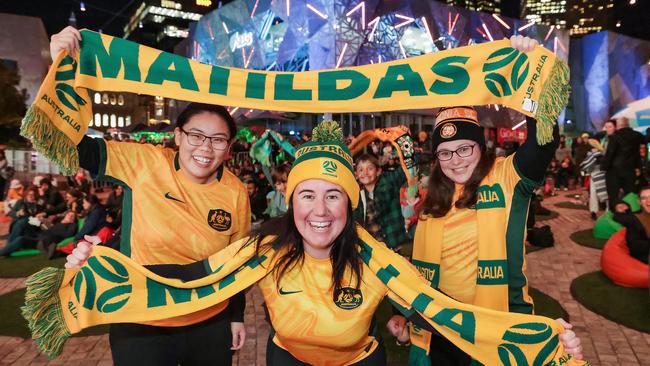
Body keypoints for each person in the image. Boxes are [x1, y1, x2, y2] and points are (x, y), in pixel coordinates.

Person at [66, 121, 583, 366]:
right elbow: (194, 277)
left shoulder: (374, 255)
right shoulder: (264, 247)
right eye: (306, 194)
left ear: (350, 205)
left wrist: (547, 341)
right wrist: (101, 266)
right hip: (286, 359)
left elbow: (448, 311)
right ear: (289, 202)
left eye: (333, 195)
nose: (319, 210)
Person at [48, 25, 252, 366]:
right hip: (141, 318)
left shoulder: (235, 190)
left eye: (218, 140)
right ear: (177, 135)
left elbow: (237, 259)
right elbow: (71, 146)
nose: (205, 148)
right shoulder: (143, 161)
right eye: (196, 136)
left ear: (229, 148)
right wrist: (61, 70)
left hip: (209, 321)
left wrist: (236, 316)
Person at [384, 33, 582, 366]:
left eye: (465, 148)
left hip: (495, 326)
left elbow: (543, 141)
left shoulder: (507, 176)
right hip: (438, 327)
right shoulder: (435, 197)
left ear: (481, 147)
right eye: (445, 153)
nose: (455, 160)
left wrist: (530, 67)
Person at [354, 154, 409, 250]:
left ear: (378, 171)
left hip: (396, 245)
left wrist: (407, 150)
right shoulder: (358, 196)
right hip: (375, 250)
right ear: (357, 174)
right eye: (361, 170)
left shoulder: (388, 180)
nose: (365, 173)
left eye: (370, 168)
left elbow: (407, 168)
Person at [601, 117, 645, 209]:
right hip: (630, 170)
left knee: (614, 196)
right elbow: (640, 151)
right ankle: (632, 215)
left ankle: (617, 217)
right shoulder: (637, 135)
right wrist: (639, 167)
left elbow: (610, 153)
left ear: (618, 125)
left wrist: (604, 166)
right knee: (630, 195)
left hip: (614, 171)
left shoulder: (614, 137)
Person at [612, 185, 650, 264]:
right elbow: (635, 247)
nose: (648, 200)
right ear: (639, 202)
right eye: (644, 198)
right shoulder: (634, 220)